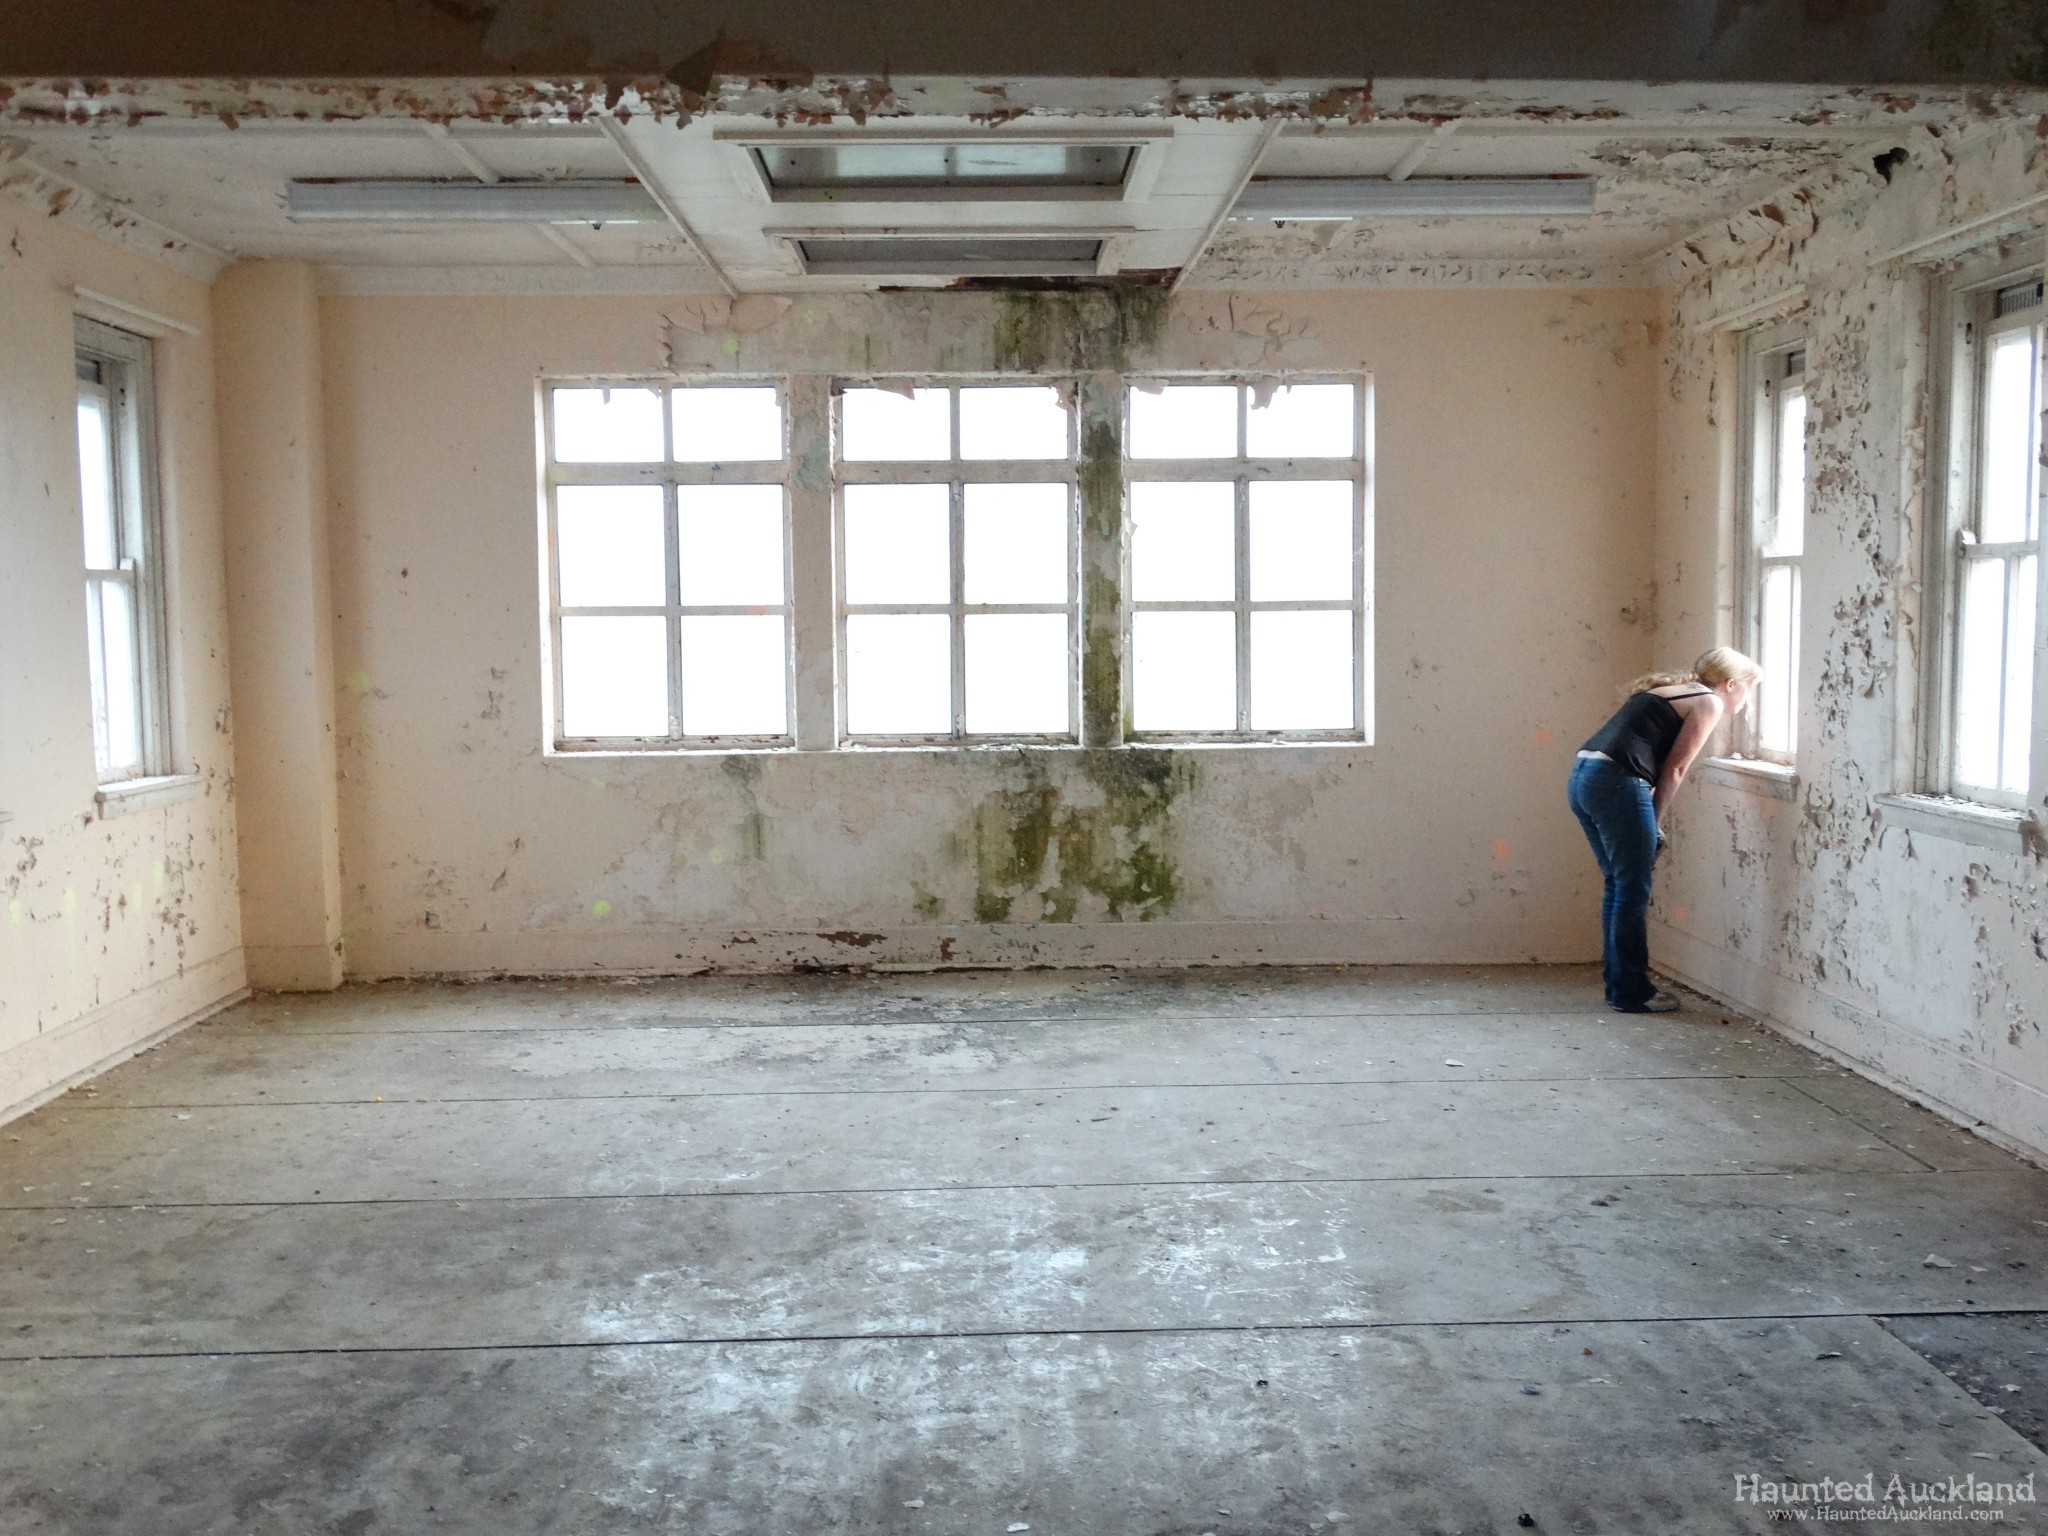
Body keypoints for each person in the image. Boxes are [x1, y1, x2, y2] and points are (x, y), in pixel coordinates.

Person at [1569, 646, 1760, 1013]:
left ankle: (1619, 986)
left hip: (1583, 777)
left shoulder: (1672, 691)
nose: (1747, 700)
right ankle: (1631, 992)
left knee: (1619, 884)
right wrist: (1654, 826)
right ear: (1731, 684)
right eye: (1749, 689)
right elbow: (1675, 769)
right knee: (1632, 889)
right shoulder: (1708, 702)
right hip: (1616, 781)